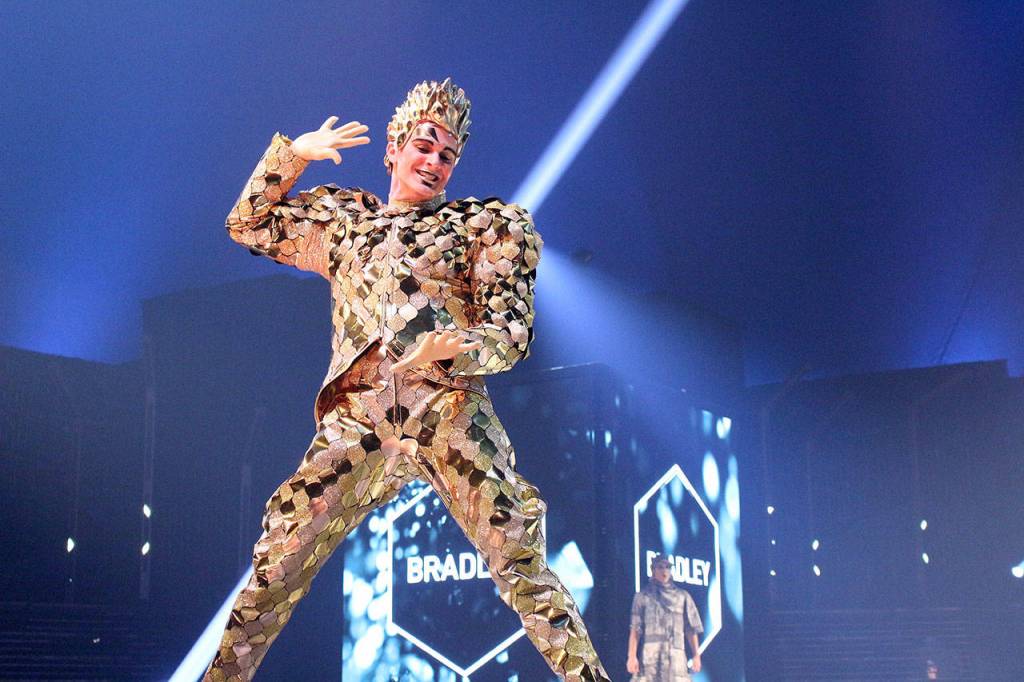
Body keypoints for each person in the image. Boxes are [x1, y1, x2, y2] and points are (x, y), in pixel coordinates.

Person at [204, 79, 610, 682]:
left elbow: (512, 331)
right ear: (393, 149)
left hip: (447, 409)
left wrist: (457, 350)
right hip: (358, 416)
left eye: (448, 155)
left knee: (519, 562)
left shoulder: (480, 227)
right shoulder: (346, 223)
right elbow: (247, 224)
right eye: (424, 146)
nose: (434, 162)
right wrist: (293, 156)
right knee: (279, 561)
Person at [627, 554, 704, 681]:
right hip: (651, 658)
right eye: (660, 567)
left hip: (676, 658)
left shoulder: (683, 597)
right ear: (653, 570)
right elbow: (635, 629)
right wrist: (632, 656)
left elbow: (691, 629)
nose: (664, 571)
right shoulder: (643, 597)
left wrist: (696, 655)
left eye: (667, 567)